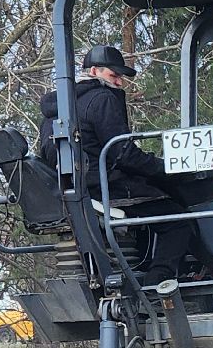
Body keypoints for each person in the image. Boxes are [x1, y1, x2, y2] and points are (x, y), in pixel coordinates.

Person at [39, 44, 189, 290]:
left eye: (120, 77)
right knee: (179, 219)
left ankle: (142, 273)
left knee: (153, 208)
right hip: (105, 188)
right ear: (95, 71)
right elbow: (123, 154)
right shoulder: (102, 98)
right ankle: (157, 286)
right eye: (114, 75)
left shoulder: (56, 109)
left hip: (75, 191)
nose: (119, 82)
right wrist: (166, 169)